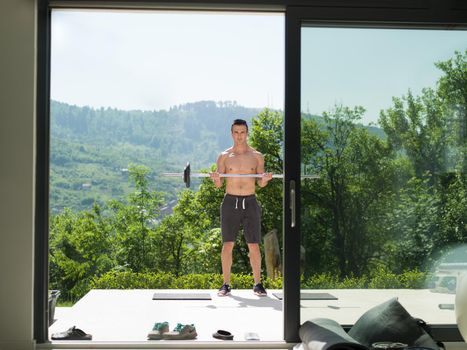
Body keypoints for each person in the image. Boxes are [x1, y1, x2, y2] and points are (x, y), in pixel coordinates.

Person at [210, 119, 273, 297]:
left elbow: (260, 183)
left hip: (250, 202)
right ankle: (226, 284)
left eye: (242, 132)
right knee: (227, 244)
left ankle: (258, 284)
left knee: (253, 245)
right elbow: (218, 184)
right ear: (232, 134)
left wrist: (265, 180)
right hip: (230, 202)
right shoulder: (224, 156)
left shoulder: (257, 156)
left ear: (247, 133)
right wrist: (215, 178)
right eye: (236, 132)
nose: (239, 136)